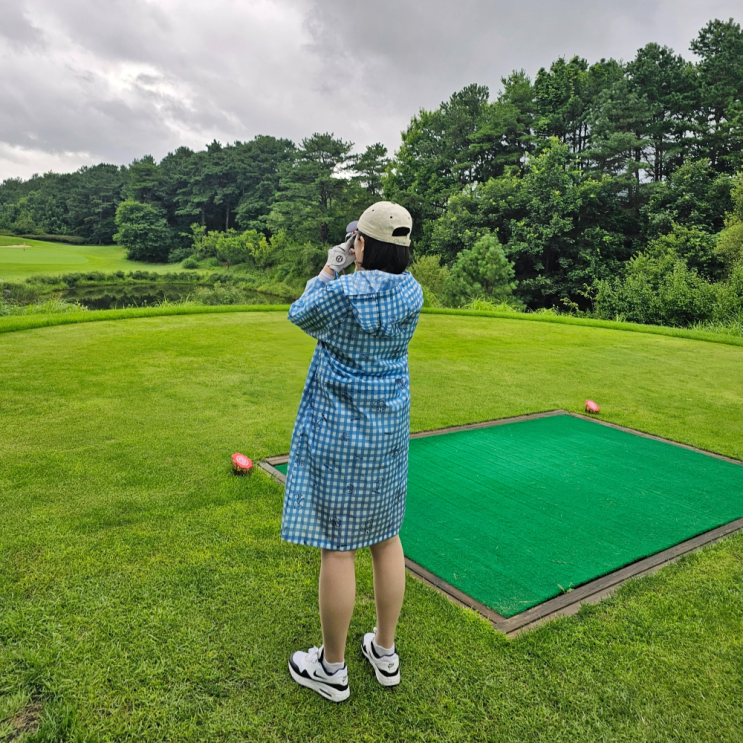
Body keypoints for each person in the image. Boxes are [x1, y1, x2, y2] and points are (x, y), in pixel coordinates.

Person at [281, 201, 423, 702]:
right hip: (387, 432)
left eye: (356, 239)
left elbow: (300, 311)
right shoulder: (412, 291)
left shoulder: (342, 294)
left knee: (339, 547)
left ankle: (332, 667)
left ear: (361, 243)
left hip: (339, 433)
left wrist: (331, 266)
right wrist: (357, 260)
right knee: (386, 537)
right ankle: (385, 651)